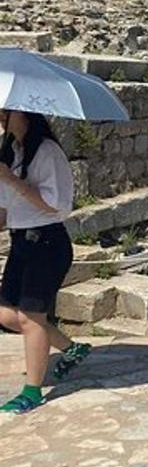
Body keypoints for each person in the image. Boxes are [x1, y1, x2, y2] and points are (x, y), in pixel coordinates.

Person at [0, 111, 92, 413]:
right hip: (21, 239)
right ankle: (71, 348)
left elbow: (55, 205)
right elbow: (7, 206)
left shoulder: (48, 152)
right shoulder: (13, 149)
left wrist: (11, 179)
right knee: (5, 312)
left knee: (30, 317)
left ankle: (33, 391)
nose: (1, 118)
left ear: (24, 113)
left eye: (5, 112)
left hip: (47, 241)